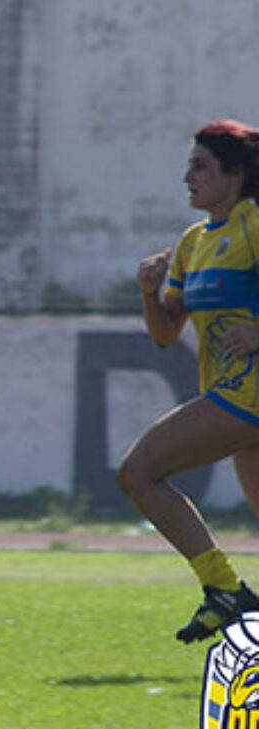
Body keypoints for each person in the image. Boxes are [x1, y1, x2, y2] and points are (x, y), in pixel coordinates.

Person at [121, 118, 259, 643]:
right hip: (231, 396)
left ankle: (223, 589)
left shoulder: (254, 224)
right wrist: (148, 293)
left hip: (247, 395)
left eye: (200, 166)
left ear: (236, 173)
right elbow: (164, 334)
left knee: (139, 472)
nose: (187, 177)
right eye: (188, 165)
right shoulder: (192, 242)